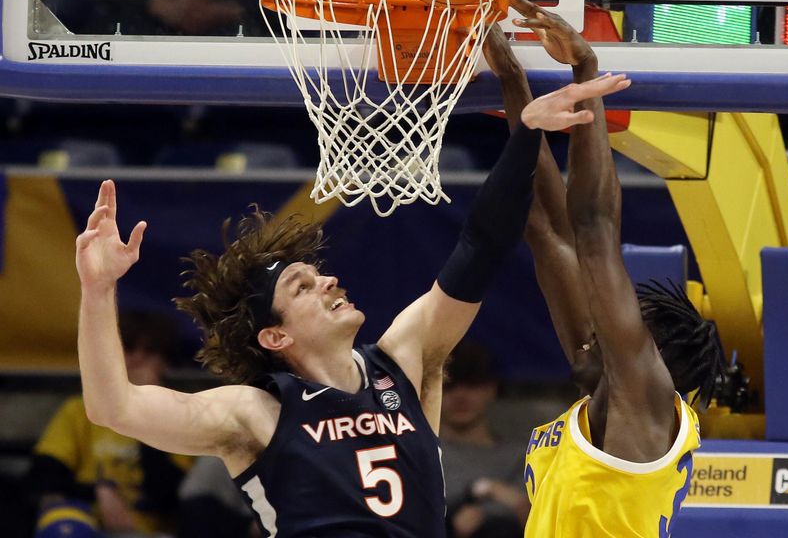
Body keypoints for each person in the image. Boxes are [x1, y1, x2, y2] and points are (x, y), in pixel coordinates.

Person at [74, 35, 630, 537]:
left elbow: (479, 248)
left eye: (318, 275)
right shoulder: (256, 414)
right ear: (275, 337)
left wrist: (526, 133)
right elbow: (113, 407)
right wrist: (98, 291)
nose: (328, 281)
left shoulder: (405, 360)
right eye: (302, 286)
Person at [500, 0, 727, 536]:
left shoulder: (646, 402)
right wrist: (511, 76)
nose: (598, 328)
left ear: (648, 354)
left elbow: (596, 227)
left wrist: (586, 69)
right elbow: (547, 231)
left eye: (615, 328)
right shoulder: (602, 392)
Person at [28, 311, 192, 538]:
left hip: (149, 532)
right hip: (85, 525)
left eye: (151, 352)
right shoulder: (80, 409)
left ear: (164, 363)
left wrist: (144, 410)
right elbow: (43, 478)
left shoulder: (179, 414)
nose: (138, 359)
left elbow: (168, 495)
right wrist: (99, 491)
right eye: (129, 348)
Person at [440, 341, 528, 538]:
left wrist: (487, 495)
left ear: (491, 388)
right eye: (449, 386)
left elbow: (534, 515)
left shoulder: (524, 457)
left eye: (472, 384)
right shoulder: (421, 457)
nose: (460, 396)